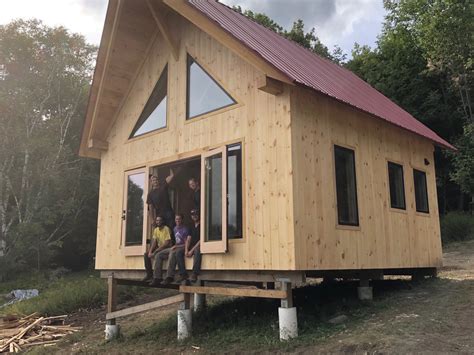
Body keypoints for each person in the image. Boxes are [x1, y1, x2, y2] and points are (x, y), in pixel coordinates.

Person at [162, 209, 202, 284]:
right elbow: (188, 239)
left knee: (197, 250)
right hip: (191, 246)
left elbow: (201, 240)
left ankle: (194, 274)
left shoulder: (202, 225)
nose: (194, 216)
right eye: (193, 215)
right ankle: (183, 274)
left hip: (199, 245)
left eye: (196, 214)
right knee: (178, 252)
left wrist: (191, 250)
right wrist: (187, 250)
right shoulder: (191, 226)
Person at [161, 214, 190, 285]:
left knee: (173, 253)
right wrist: (175, 246)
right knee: (159, 254)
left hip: (183, 247)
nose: (177, 220)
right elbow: (177, 241)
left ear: (182, 220)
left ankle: (169, 276)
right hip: (177, 246)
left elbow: (186, 243)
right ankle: (157, 276)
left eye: (179, 219)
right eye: (176, 219)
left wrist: (177, 247)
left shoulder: (185, 229)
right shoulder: (175, 229)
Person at [143, 216, 172, 285]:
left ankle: (157, 277)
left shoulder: (166, 229)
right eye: (157, 221)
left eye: (159, 220)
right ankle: (149, 274)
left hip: (167, 248)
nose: (158, 222)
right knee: (146, 254)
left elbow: (167, 243)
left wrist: (156, 251)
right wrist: (150, 251)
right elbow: (154, 242)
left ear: (163, 221)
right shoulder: (156, 230)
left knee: (157, 255)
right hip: (160, 248)